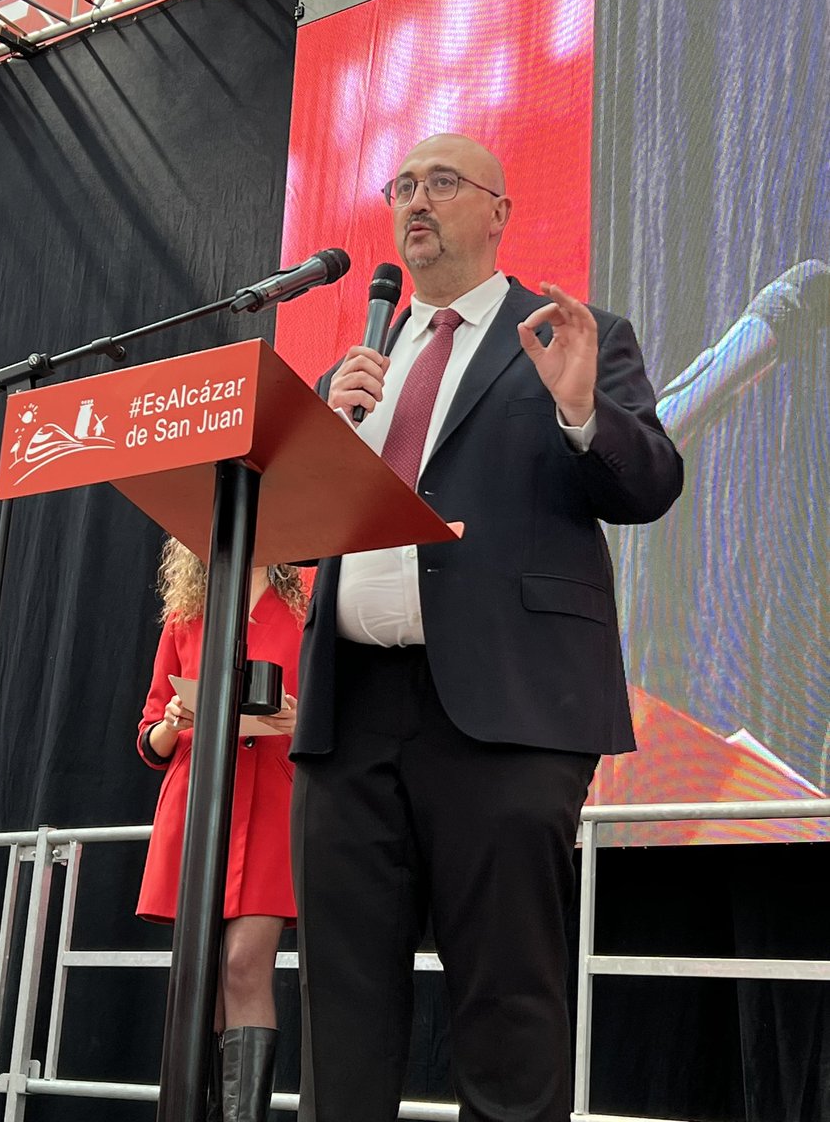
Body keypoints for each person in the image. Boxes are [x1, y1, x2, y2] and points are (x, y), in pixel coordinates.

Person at [289, 133, 684, 1122]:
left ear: (499, 210)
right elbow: (296, 533)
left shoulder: (568, 337)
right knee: (341, 1013)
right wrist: (320, 442)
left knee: (507, 1006)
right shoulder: (363, 362)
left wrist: (585, 412)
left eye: (442, 184)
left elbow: (649, 484)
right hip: (350, 714)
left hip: (508, 713)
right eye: (403, 186)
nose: (415, 202)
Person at [136, 538, 306, 1122]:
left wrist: (297, 716)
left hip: (272, 797)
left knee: (241, 964)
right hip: (198, 796)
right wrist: (171, 722)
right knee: (200, 976)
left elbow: (336, 706)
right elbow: (151, 730)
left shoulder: (309, 595)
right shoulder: (187, 610)